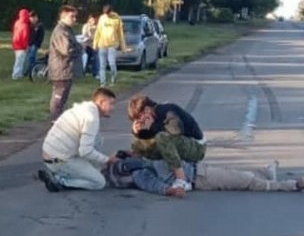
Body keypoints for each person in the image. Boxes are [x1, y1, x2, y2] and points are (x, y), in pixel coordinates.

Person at [36, 87, 118, 191]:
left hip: (51, 155)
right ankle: (60, 180)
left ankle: (81, 171)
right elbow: (85, 151)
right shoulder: (91, 118)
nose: (113, 108)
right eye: (111, 104)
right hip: (59, 160)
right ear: (101, 102)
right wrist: (107, 160)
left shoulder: (84, 108)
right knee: (99, 182)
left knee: (97, 139)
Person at [105, 156, 304, 198]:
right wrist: (171, 190)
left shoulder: (143, 163)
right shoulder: (141, 172)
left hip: (198, 169)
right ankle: (291, 185)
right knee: (247, 182)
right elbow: (153, 185)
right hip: (199, 177)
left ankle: (267, 173)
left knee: (237, 174)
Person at [127, 94, 207, 192]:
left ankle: (181, 179)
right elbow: (152, 134)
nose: (141, 121)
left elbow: (176, 130)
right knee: (138, 143)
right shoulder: (154, 117)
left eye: (140, 117)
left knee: (161, 137)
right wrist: (138, 133)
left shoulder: (166, 110)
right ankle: (156, 167)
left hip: (197, 146)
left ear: (147, 110)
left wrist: (152, 126)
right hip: (182, 144)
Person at [47, 5, 83, 121]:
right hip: (61, 71)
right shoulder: (61, 31)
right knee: (58, 99)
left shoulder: (67, 30)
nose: (74, 19)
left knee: (62, 100)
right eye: (72, 16)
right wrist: (80, 47)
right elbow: (66, 50)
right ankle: (55, 121)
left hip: (66, 70)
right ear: (63, 16)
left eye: (75, 16)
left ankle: (57, 121)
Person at [92, 5, 126, 86]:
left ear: (111, 11)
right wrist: (95, 44)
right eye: (106, 14)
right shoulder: (102, 18)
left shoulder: (117, 18)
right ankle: (102, 83)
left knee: (111, 63)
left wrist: (123, 47)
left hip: (112, 44)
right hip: (102, 44)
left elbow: (120, 33)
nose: (107, 15)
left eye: (108, 13)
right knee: (102, 65)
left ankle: (113, 79)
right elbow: (98, 31)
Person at [11, 8, 31, 79]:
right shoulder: (25, 26)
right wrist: (26, 46)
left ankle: (18, 74)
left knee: (18, 60)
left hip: (15, 44)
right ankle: (16, 75)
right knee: (20, 61)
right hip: (21, 46)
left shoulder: (17, 22)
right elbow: (25, 37)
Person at [26, 11, 45, 80]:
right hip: (30, 43)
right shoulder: (29, 25)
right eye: (31, 18)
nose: (32, 19)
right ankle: (31, 69)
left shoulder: (40, 25)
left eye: (33, 18)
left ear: (36, 17)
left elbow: (41, 36)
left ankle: (31, 70)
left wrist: (38, 43)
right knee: (29, 57)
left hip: (35, 44)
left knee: (32, 57)